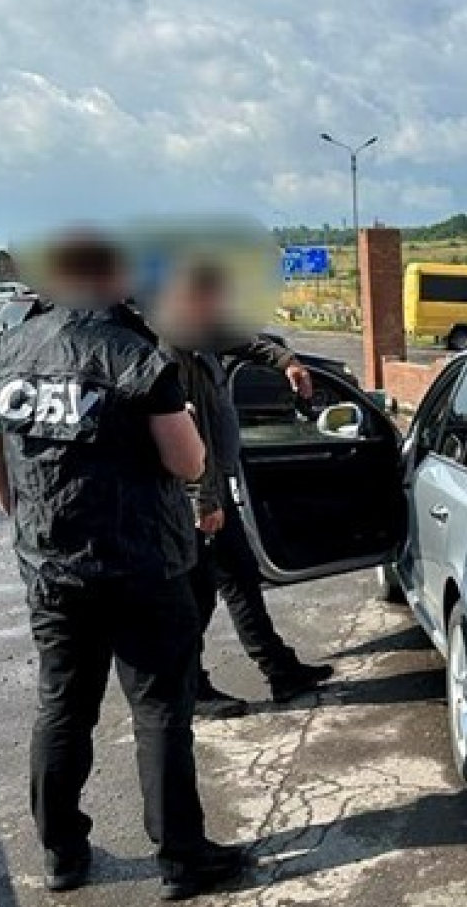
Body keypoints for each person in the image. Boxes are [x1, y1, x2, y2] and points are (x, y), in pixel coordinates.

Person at [0, 231, 246, 900]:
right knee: (160, 710)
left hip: (52, 569)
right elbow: (188, 462)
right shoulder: (136, 354)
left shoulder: (6, 349)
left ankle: (61, 855)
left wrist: (30, 527)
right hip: (142, 565)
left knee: (63, 707)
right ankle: (181, 858)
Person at [154, 261, 333, 715]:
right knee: (197, 596)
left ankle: (280, 670)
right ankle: (189, 688)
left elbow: (246, 341)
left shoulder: (201, 332)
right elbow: (187, 433)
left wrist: (287, 362)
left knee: (240, 581)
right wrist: (204, 498)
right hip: (191, 499)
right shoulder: (171, 349)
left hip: (210, 489)